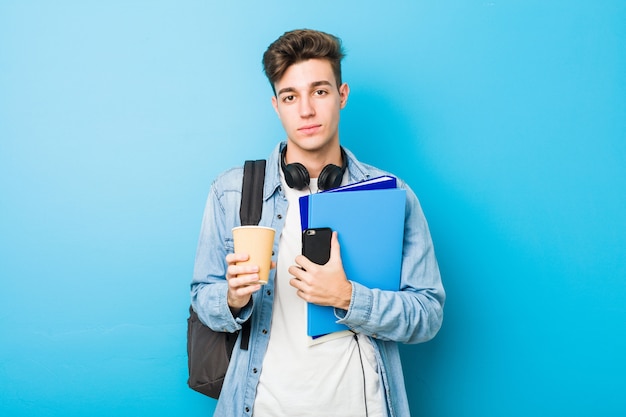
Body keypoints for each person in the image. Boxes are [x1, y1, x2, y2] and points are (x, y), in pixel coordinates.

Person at [191, 29, 445, 417]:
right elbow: (201, 296)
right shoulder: (231, 192)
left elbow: (427, 314)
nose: (306, 110)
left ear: (341, 95)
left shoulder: (392, 195)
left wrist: (347, 297)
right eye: (291, 97)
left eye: (320, 92)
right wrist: (232, 297)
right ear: (276, 105)